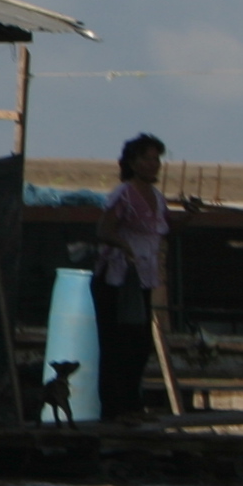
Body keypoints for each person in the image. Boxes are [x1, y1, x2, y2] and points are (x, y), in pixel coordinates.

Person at [93, 133, 170, 421]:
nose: (153, 164)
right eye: (146, 159)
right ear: (132, 163)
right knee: (116, 344)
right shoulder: (123, 193)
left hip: (142, 280)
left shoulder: (158, 198)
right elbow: (103, 230)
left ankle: (131, 404)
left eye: (156, 159)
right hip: (117, 279)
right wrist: (124, 246)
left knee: (138, 344)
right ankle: (113, 411)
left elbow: (163, 229)